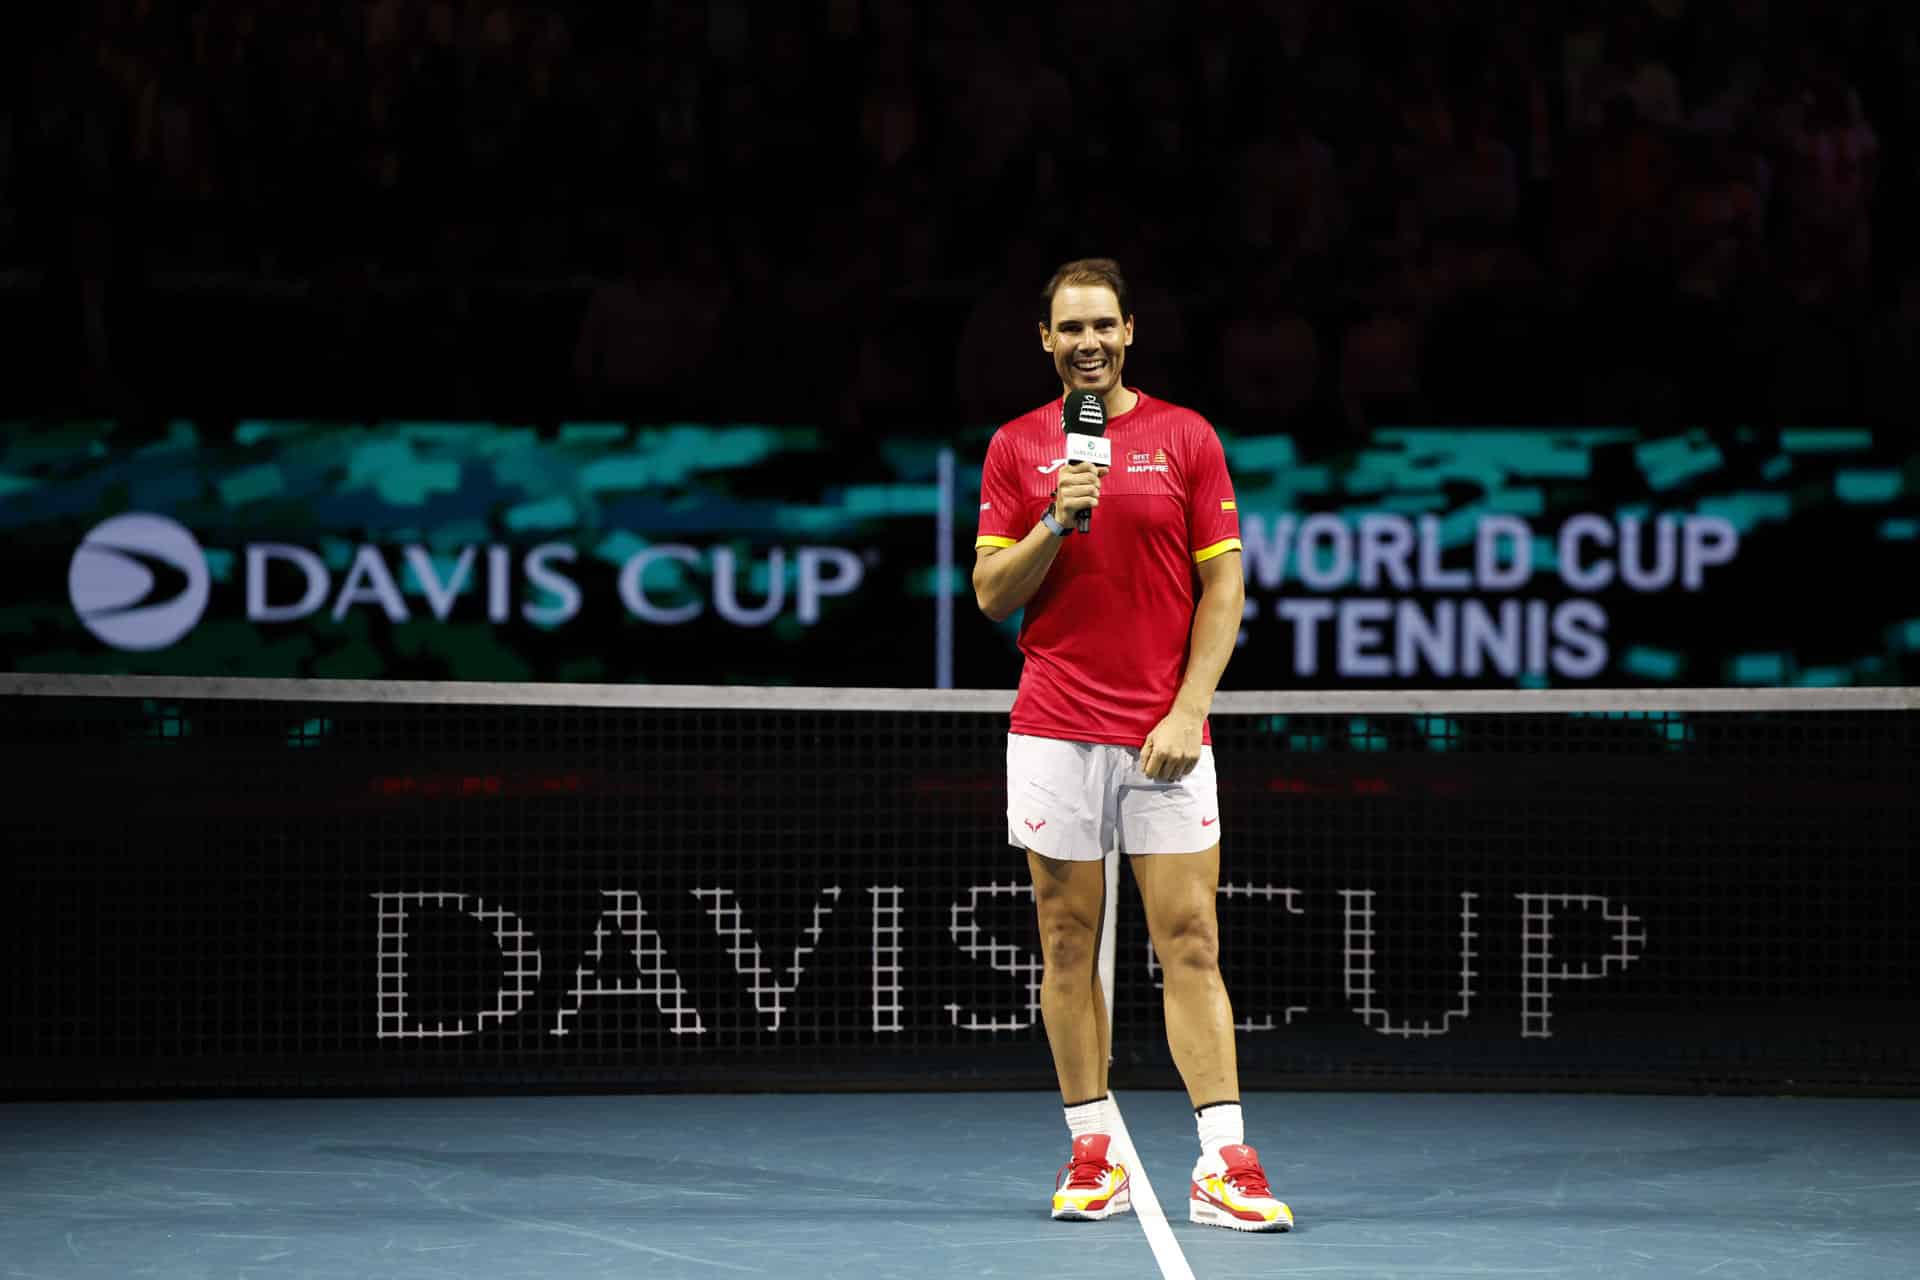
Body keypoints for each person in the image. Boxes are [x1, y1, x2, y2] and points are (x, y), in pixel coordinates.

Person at [971, 258, 1293, 1233]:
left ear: (1130, 330)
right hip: (1054, 728)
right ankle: (1091, 1148)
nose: (1087, 342)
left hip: (1164, 733)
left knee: (1190, 939)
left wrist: (1189, 707)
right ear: (1045, 339)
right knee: (1067, 941)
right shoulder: (1017, 447)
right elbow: (992, 595)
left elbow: (1224, 588)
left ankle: (1225, 1160)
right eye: (1069, 328)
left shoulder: (1187, 437)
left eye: (1102, 325)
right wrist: (1054, 522)